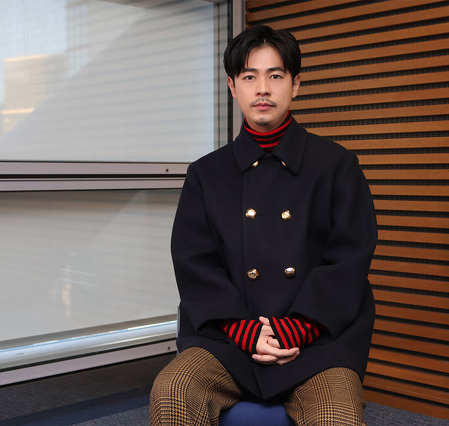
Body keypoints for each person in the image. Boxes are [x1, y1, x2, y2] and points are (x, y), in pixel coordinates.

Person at [150, 24, 377, 425]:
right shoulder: (206, 174)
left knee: (336, 415)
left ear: (296, 84)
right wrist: (245, 331)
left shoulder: (337, 165)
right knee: (173, 390)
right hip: (228, 341)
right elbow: (194, 262)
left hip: (316, 344)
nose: (263, 89)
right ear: (232, 87)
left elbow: (350, 259)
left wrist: (298, 328)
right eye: (249, 77)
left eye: (275, 76)